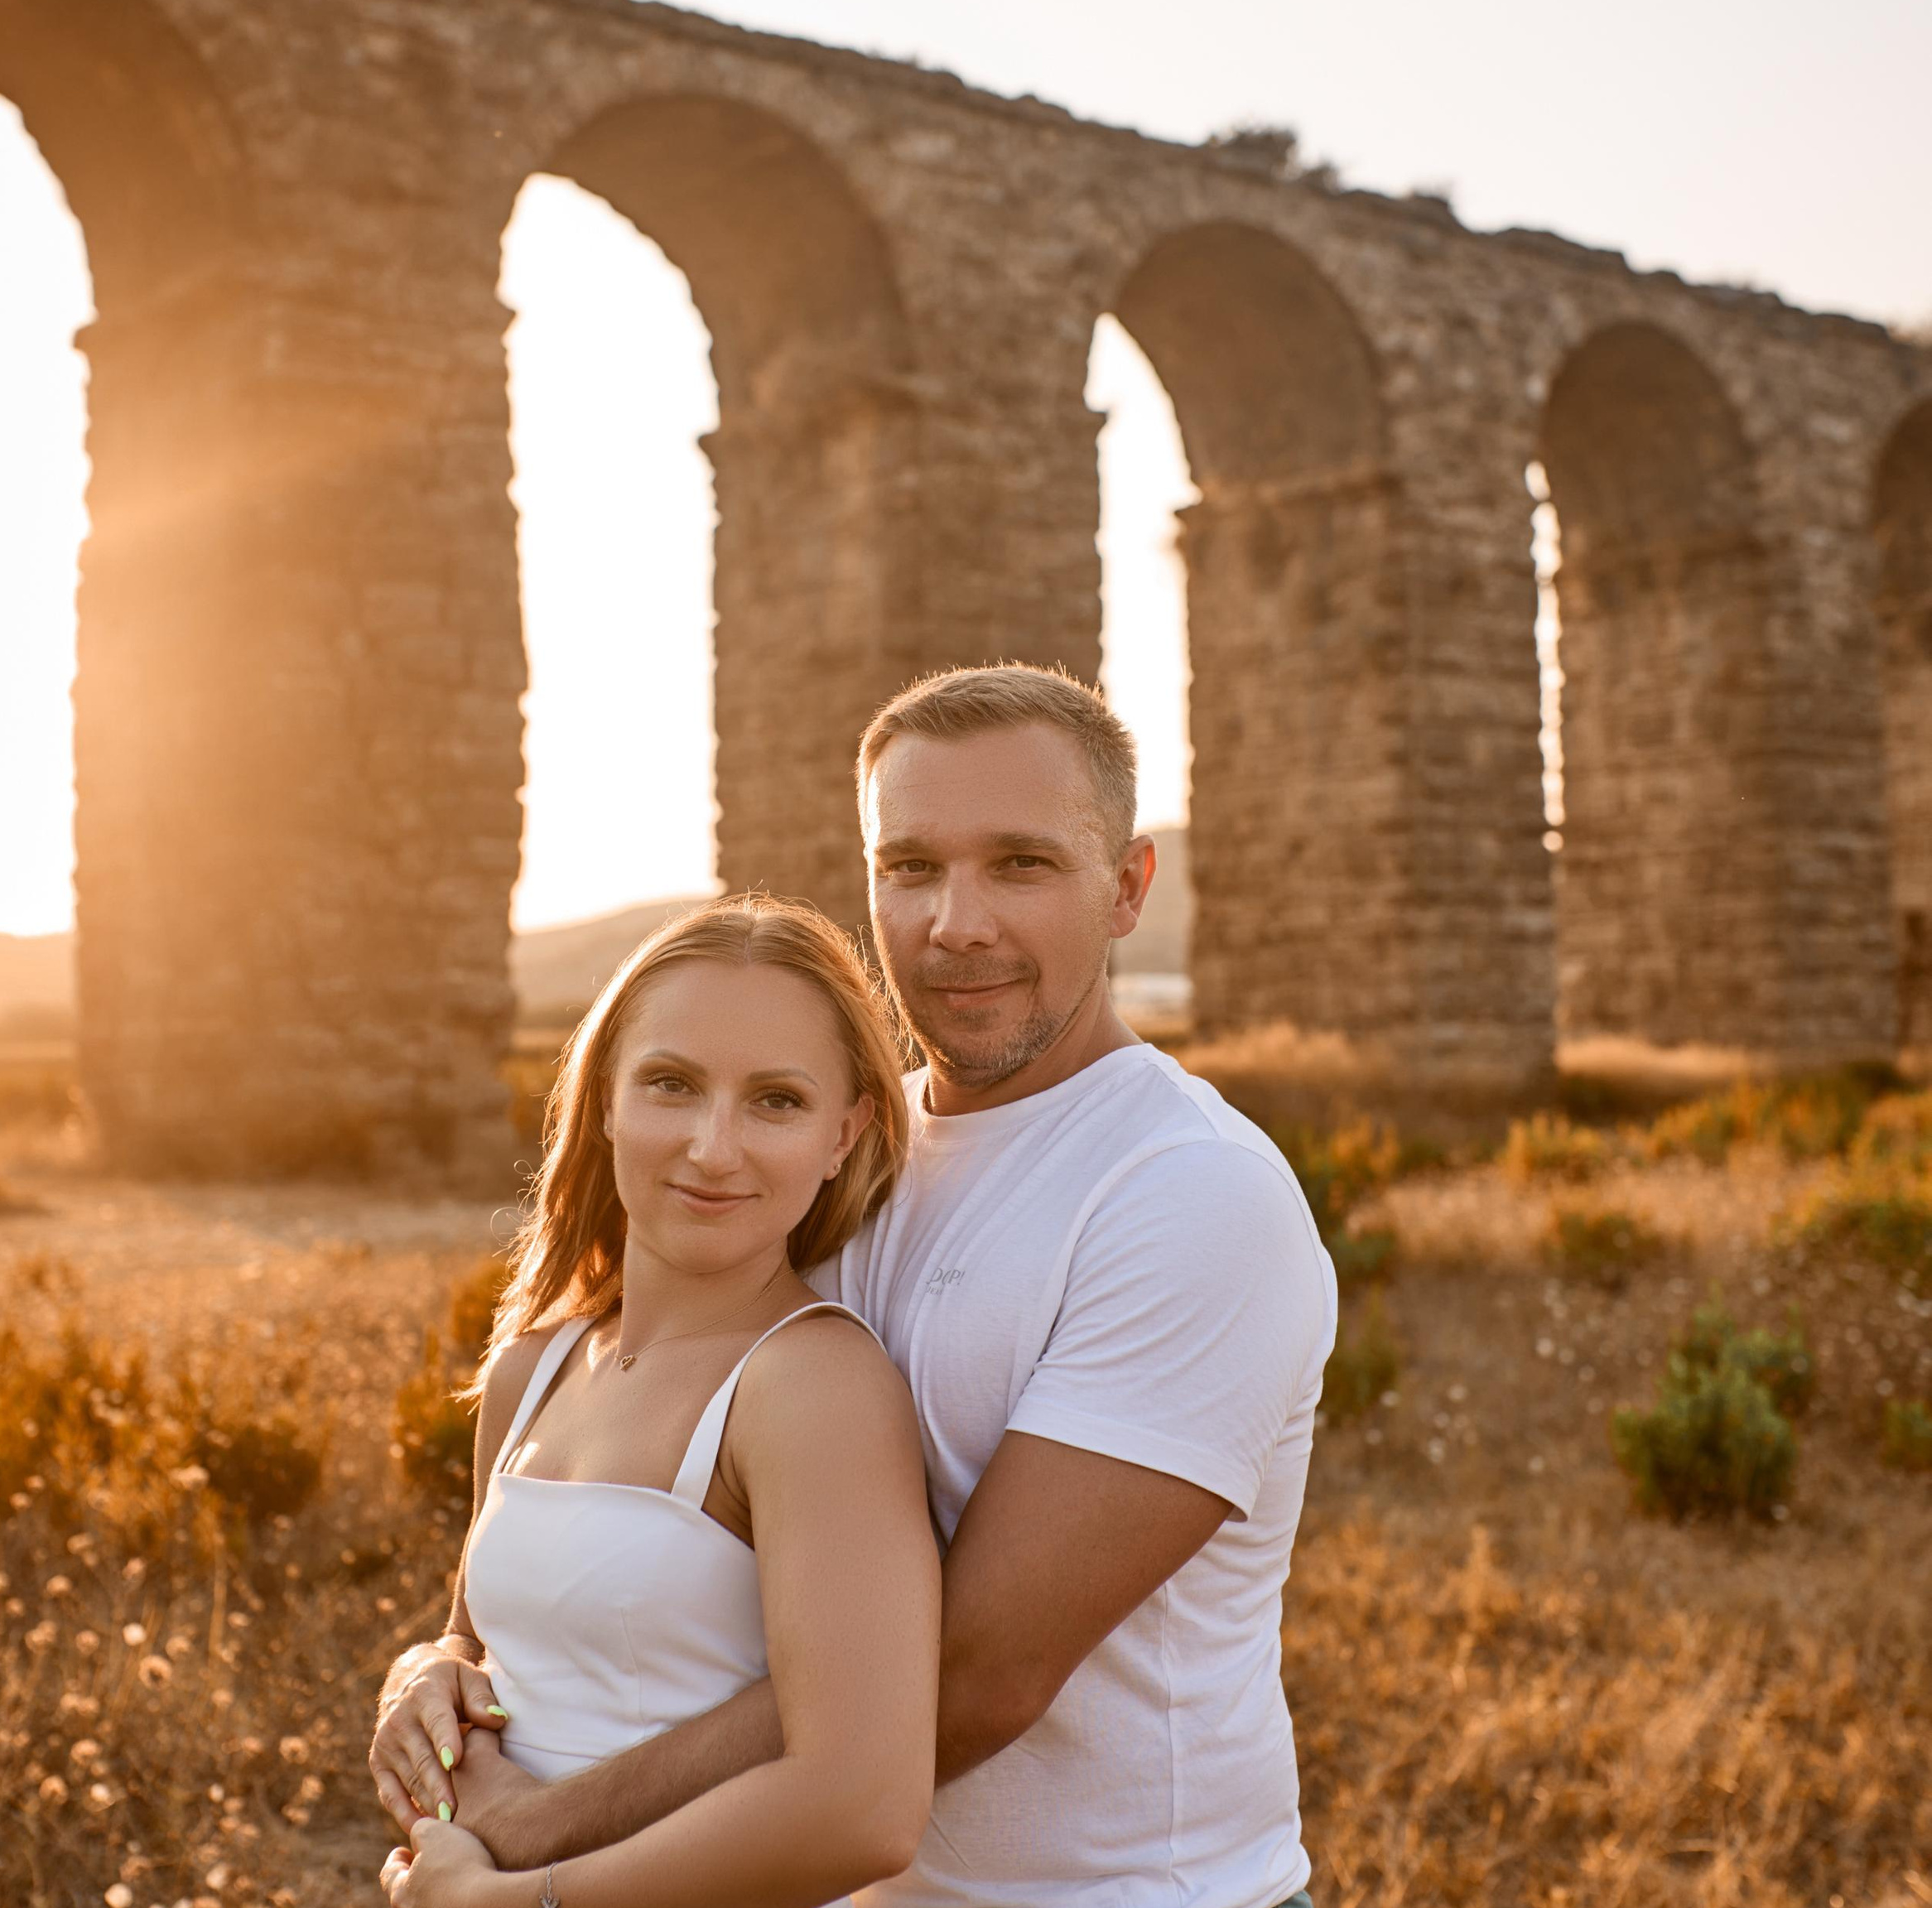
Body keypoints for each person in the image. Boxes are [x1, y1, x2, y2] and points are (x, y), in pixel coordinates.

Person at [407, 664, 1337, 1908]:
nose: (957, 923)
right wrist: (431, 1673)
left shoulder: (1191, 1195)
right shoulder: (836, 1151)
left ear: (1127, 888)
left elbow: (971, 1673)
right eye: (911, 867)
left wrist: (529, 1833)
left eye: (1021, 863)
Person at [369, 897, 941, 1907]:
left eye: (776, 1101)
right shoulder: (532, 1366)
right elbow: (485, 1641)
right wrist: (423, 1670)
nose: (713, 1148)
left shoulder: (810, 1387)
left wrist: (523, 1900)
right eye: (671, 1084)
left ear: (844, 1133)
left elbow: (864, 1805)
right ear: (603, 1100)